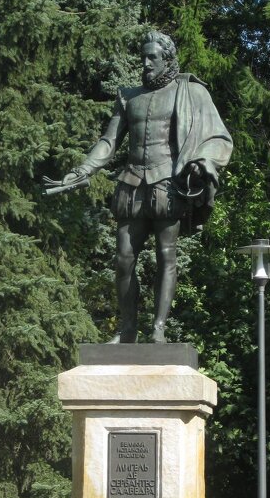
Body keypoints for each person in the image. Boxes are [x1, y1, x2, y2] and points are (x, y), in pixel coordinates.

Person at [61, 31, 232, 343]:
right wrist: (82, 170)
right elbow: (109, 142)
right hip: (131, 184)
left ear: (167, 58)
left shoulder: (190, 91)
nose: (146, 63)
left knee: (167, 256)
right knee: (123, 259)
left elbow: (217, 136)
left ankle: (158, 329)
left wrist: (203, 161)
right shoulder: (129, 97)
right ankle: (127, 329)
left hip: (168, 183)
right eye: (143, 57)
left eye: (152, 57)